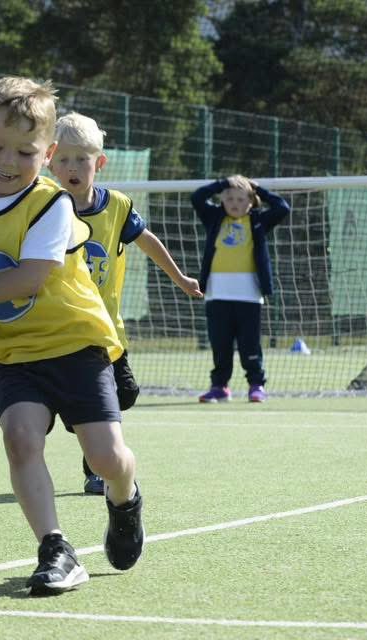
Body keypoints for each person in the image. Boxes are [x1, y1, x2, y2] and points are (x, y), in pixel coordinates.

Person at [0, 76, 144, 596]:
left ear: (47, 155)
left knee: (106, 458)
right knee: (20, 439)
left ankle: (125, 497)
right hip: (11, 354)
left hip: (74, 344)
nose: (6, 161)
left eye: (24, 151)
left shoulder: (53, 205)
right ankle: (55, 547)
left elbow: (30, 276)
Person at [49, 112, 203, 495]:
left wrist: (180, 278)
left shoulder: (116, 207)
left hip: (108, 330)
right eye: (63, 159)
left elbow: (147, 240)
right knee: (99, 407)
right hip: (63, 331)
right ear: (49, 160)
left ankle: (82, 423)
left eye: (81, 159)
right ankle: (96, 467)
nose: (72, 167)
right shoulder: (45, 208)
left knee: (126, 394)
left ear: (98, 163)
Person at [191, 175, 291, 403]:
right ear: (222, 201)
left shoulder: (258, 222)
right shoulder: (214, 218)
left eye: (240, 199)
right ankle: (220, 387)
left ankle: (256, 384)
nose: (235, 203)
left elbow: (282, 207)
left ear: (251, 202)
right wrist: (223, 183)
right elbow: (197, 197)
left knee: (250, 345)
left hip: (249, 296)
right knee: (220, 345)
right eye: (229, 198)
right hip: (217, 295)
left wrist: (258, 189)